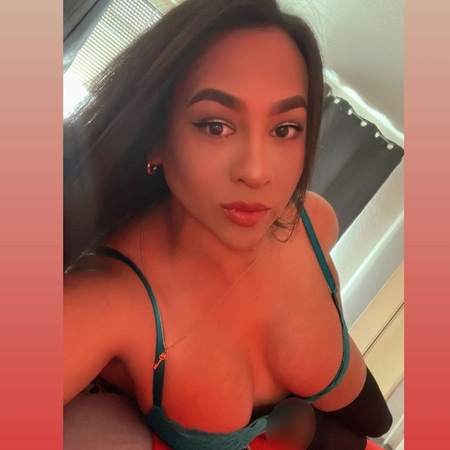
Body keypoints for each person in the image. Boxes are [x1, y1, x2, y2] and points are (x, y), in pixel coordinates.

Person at [63, 0, 393, 449]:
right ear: (154, 138)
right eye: (216, 126)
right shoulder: (101, 302)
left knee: (377, 423)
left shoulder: (314, 220)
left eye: (284, 129)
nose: (256, 173)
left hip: (347, 407)